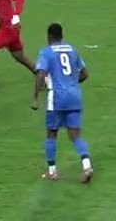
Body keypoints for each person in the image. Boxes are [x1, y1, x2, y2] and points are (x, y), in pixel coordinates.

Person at [32, 22, 93, 183]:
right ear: (62, 35)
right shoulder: (72, 49)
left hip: (57, 98)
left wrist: (35, 96)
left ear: (49, 36)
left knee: (52, 133)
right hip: (75, 96)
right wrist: (71, 83)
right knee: (75, 135)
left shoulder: (46, 52)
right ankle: (87, 165)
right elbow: (85, 73)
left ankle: (52, 171)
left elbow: (40, 74)